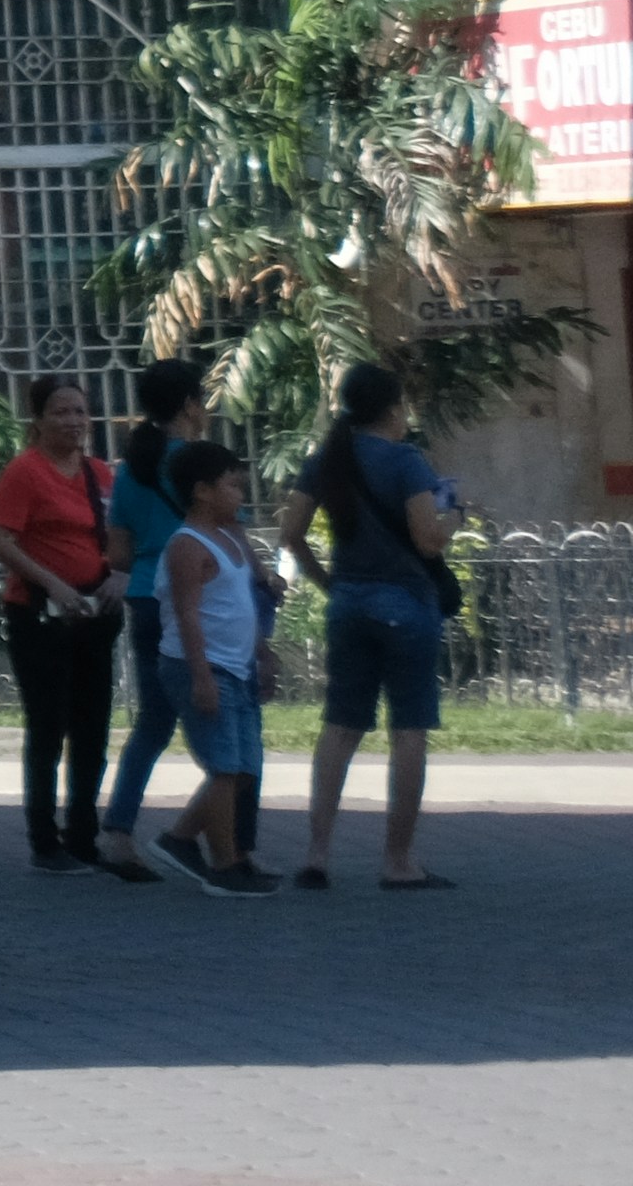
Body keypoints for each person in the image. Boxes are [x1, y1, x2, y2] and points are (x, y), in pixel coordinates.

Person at [282, 359, 466, 890]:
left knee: (340, 728)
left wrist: (330, 585)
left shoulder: (327, 459)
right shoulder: (406, 461)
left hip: (349, 605)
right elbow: (428, 538)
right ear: (392, 408)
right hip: (406, 605)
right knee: (408, 730)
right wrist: (456, 515)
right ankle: (398, 860)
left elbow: (291, 532)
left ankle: (317, 855)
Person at [0, 374, 122, 871]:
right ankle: (44, 839)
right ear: (39, 420)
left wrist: (119, 575)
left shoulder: (100, 474)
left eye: (80, 412)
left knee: (93, 726)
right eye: (61, 412)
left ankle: (83, 833)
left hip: (93, 615)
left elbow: (120, 535)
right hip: (39, 615)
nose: (72, 421)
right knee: (48, 726)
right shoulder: (26, 472)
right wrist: (53, 584)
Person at [91, 354, 209, 882]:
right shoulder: (203, 463)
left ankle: (117, 831)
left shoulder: (132, 469)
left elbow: (116, 553)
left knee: (154, 723)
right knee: (223, 722)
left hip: (143, 598)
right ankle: (230, 844)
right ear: (189, 404)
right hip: (200, 599)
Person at [153, 439, 275, 892]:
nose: (239, 495)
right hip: (200, 668)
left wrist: (262, 652)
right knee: (225, 766)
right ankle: (223, 866)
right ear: (202, 491)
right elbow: (187, 614)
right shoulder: (188, 545)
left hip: (237, 667)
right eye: (231, 486)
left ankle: (182, 838)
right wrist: (202, 677)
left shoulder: (229, 538)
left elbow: (242, 605)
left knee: (243, 767)